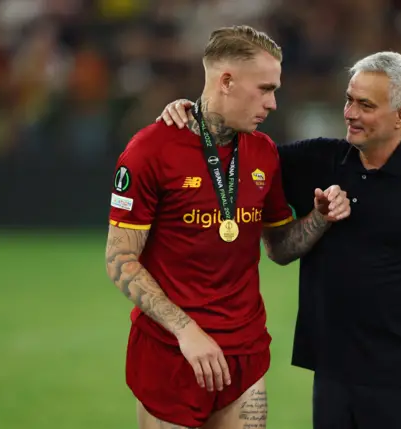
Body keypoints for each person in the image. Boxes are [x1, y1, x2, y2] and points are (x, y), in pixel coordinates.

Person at [157, 51, 401, 429]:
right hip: (333, 377)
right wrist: (195, 116)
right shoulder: (318, 160)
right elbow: (235, 155)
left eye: (365, 105)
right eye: (349, 99)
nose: (349, 112)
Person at [105, 25, 351, 429]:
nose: (272, 104)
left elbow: (279, 247)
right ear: (227, 81)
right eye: (265, 89)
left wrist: (319, 219)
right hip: (172, 353)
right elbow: (119, 260)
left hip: (244, 355)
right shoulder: (150, 150)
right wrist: (187, 332)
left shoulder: (263, 152)